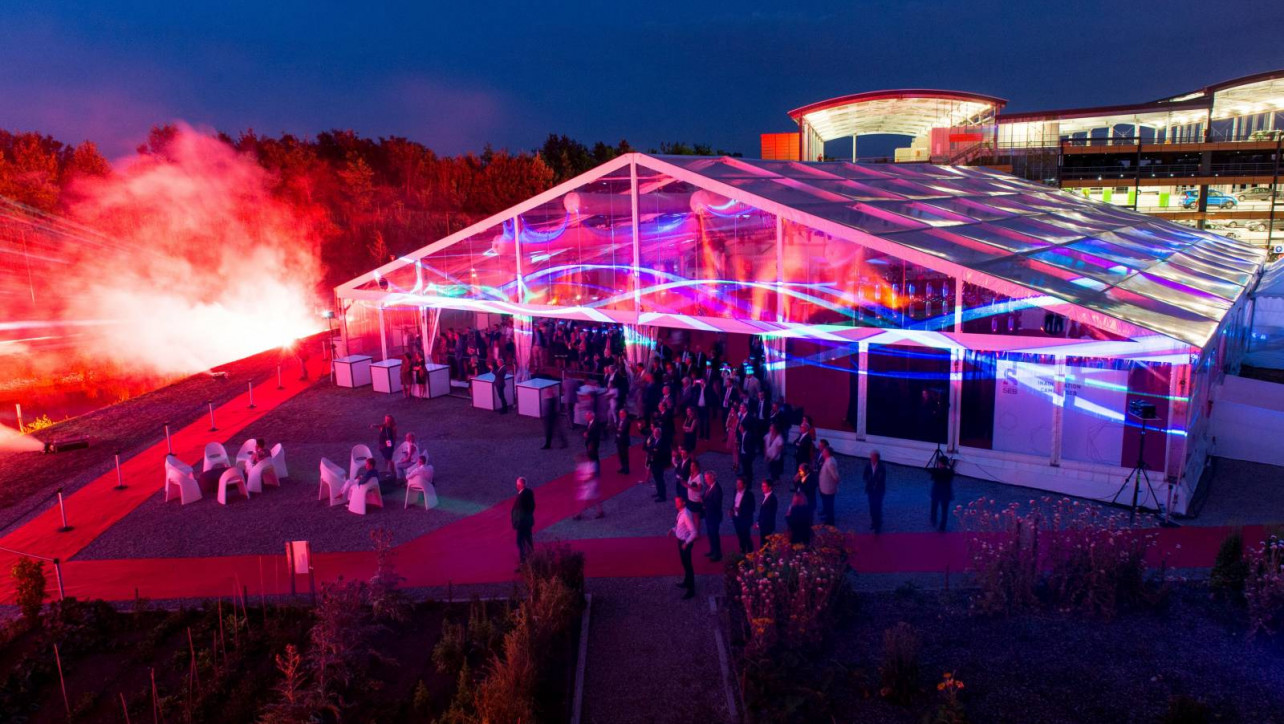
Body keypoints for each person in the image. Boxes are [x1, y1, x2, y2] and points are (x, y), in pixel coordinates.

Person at [670, 497, 699, 600]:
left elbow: (694, 532)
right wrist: (673, 530)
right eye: (675, 502)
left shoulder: (685, 514)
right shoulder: (681, 512)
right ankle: (686, 582)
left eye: (678, 502)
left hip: (685, 543)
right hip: (681, 542)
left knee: (688, 565)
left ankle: (691, 590)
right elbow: (680, 526)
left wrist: (686, 543)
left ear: (683, 502)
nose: (676, 504)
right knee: (685, 564)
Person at [511, 477, 536, 566]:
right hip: (528, 522)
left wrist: (517, 522)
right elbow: (532, 507)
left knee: (520, 542)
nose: (516, 486)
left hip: (522, 523)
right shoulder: (529, 492)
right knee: (528, 541)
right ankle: (532, 559)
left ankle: (523, 562)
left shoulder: (522, 496)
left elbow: (520, 511)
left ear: (519, 485)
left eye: (517, 484)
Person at [929, 455, 955, 532]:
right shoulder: (951, 472)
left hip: (937, 491)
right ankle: (942, 527)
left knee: (934, 508)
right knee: (945, 511)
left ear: (940, 463)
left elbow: (932, 478)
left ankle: (933, 521)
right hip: (946, 492)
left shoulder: (936, 471)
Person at [573, 454, 604, 520]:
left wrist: (584, 481)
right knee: (595, 498)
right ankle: (600, 512)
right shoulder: (585, 465)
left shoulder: (591, 465)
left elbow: (592, 475)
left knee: (583, 500)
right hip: (590, 484)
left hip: (590, 485)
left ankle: (579, 514)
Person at [702, 471, 724, 562]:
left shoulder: (717, 489)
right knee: (710, 534)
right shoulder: (710, 487)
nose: (705, 480)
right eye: (705, 478)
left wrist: (704, 504)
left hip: (714, 516)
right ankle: (713, 550)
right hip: (709, 515)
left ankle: (717, 554)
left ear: (712, 478)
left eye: (707, 478)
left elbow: (716, 504)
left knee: (714, 535)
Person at [863, 449, 887, 534]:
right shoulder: (868, 465)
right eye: (871, 457)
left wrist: (872, 481)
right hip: (870, 490)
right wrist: (869, 480)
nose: (871, 458)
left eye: (873, 457)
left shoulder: (881, 467)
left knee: (877, 507)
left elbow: (880, 478)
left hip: (878, 491)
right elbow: (865, 475)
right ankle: (873, 521)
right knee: (871, 507)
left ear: (877, 458)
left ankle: (878, 525)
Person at [730, 476, 756, 554]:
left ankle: (750, 552)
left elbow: (752, 508)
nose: (737, 485)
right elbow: (734, 503)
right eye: (737, 483)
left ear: (744, 485)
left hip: (745, 520)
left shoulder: (749, 495)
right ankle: (742, 551)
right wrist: (731, 510)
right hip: (736, 519)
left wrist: (740, 510)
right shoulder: (735, 491)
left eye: (739, 484)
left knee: (746, 536)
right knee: (740, 536)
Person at [817, 441, 840, 526]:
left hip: (828, 488)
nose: (822, 452)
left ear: (827, 453)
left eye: (823, 451)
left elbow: (835, 476)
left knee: (829, 505)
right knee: (827, 504)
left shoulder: (830, 462)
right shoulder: (829, 460)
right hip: (826, 487)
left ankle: (830, 521)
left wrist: (835, 484)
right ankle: (828, 518)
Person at [645, 425, 666, 502]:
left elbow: (661, 453)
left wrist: (653, 451)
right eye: (654, 432)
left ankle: (663, 496)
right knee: (656, 479)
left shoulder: (662, 442)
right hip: (653, 463)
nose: (654, 434)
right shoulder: (654, 440)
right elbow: (650, 450)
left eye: (656, 433)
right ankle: (659, 492)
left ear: (659, 433)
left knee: (660, 480)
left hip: (659, 464)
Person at [757, 480, 778, 547]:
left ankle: (768, 557)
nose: (762, 488)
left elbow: (768, 514)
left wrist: (760, 524)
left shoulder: (772, 499)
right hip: (764, 526)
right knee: (765, 544)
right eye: (762, 486)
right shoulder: (767, 497)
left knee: (766, 545)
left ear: (770, 487)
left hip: (767, 526)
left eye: (764, 486)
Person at [615, 409, 632, 474]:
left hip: (624, 441)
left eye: (621, 413)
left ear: (625, 414)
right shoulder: (619, 420)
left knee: (625, 455)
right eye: (619, 413)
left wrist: (618, 429)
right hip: (618, 440)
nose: (620, 415)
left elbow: (623, 429)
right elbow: (617, 428)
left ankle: (626, 469)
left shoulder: (627, 421)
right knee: (620, 455)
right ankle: (622, 467)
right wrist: (618, 429)